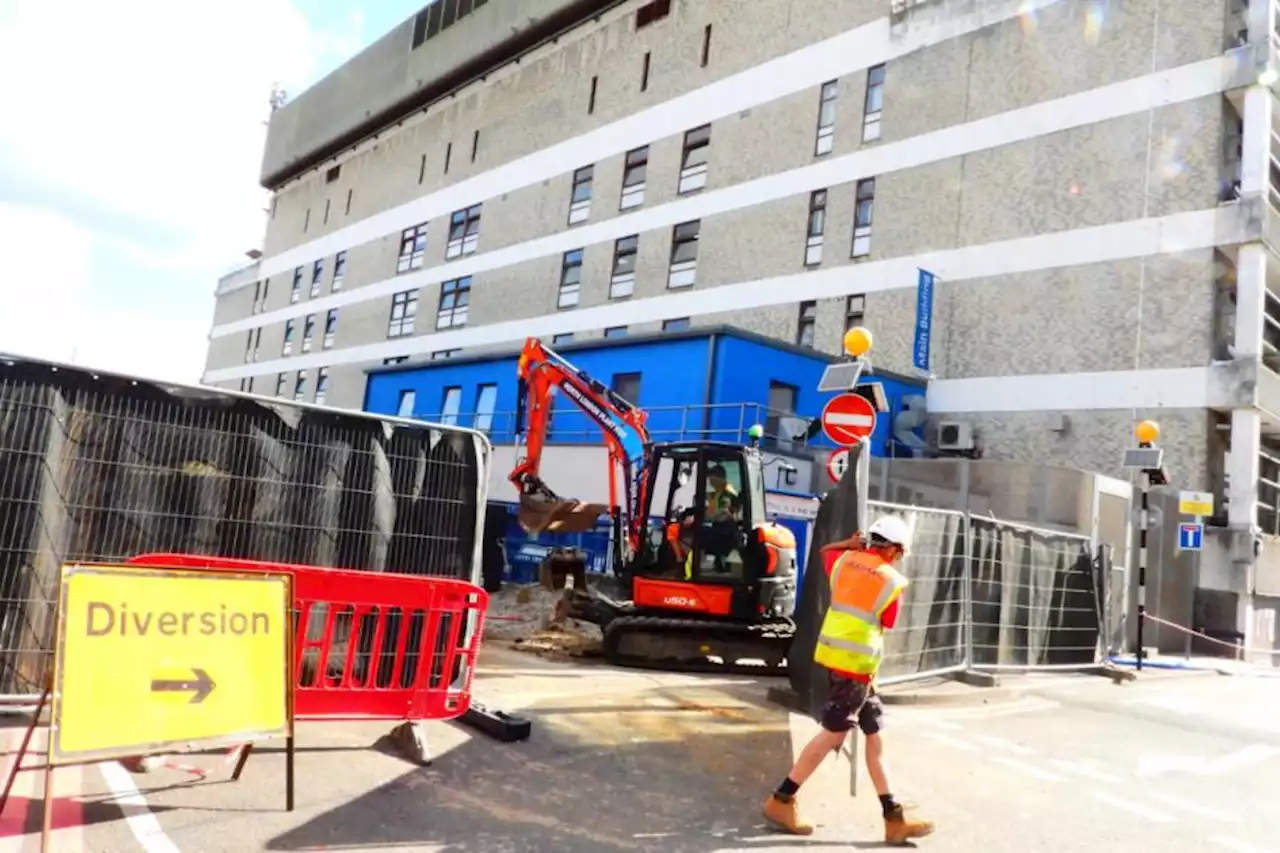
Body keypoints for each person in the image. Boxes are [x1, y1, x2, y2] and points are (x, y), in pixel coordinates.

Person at [761, 514, 935, 846]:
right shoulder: (890, 580)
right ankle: (782, 799)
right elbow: (890, 620)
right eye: (900, 553)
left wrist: (849, 544)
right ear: (895, 549)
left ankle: (893, 816)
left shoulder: (843, 561)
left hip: (840, 662)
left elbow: (825, 550)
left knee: (873, 733)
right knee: (832, 734)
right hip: (855, 666)